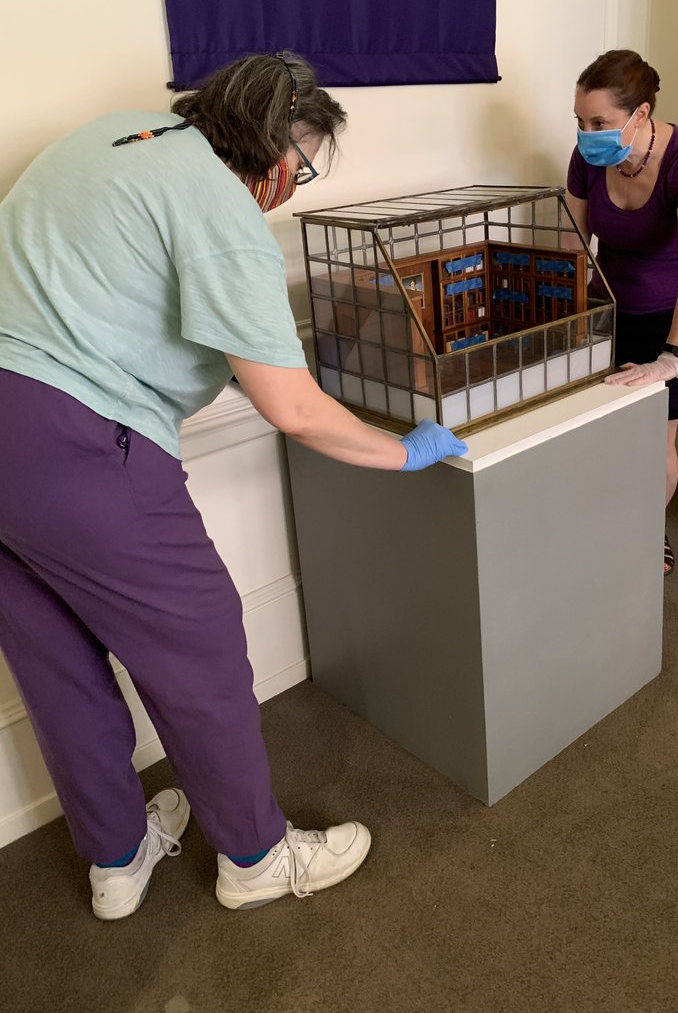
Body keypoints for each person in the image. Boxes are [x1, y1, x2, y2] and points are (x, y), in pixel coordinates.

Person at [0, 52, 467, 920]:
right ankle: (254, 857)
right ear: (278, 145)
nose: (297, 183)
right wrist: (403, 452)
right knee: (202, 650)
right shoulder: (221, 208)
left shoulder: (111, 137)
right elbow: (296, 409)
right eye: (307, 160)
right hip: (78, 437)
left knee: (56, 660)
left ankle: (117, 861)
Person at [565, 49, 678, 577]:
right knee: (602, 433)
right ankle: (607, 525)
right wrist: (567, 322)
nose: (588, 134)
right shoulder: (588, 158)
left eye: (600, 123)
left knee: (657, 439)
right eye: (581, 122)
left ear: (642, 115)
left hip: (673, 314)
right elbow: (573, 248)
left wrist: (672, 357)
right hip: (611, 311)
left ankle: (650, 530)